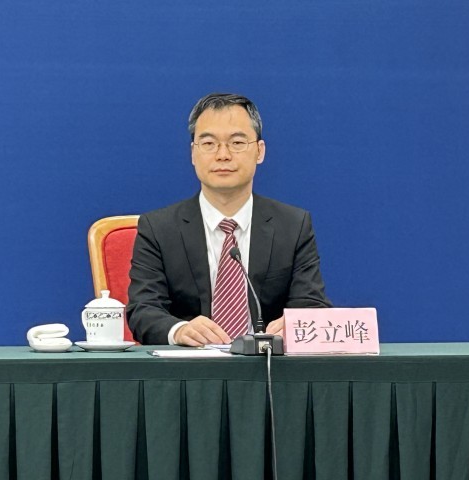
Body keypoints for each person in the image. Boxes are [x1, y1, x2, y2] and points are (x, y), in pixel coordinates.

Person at [127, 93, 331, 346]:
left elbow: (311, 304)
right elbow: (143, 309)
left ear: (260, 151)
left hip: (265, 365)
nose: (223, 155)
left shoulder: (293, 226)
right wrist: (179, 330)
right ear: (193, 154)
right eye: (209, 143)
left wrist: (296, 325)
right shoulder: (158, 229)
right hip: (191, 365)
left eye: (237, 142)